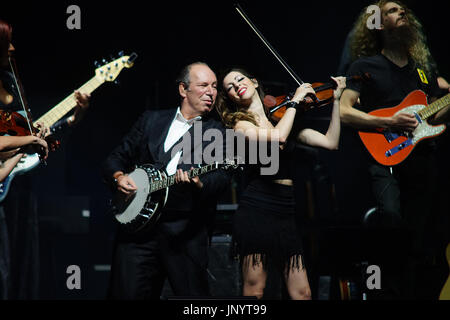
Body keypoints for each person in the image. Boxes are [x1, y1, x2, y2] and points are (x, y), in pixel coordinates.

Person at [339, 1, 450, 299]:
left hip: (422, 160)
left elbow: (432, 118)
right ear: (376, 24)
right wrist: (388, 119)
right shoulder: (364, 67)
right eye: (391, 10)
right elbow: (345, 112)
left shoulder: (424, 71)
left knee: (420, 239)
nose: (401, 12)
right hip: (385, 158)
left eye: (403, 10)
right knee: (390, 233)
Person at [103, 62, 231, 299]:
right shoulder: (151, 120)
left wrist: (200, 184)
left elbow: (222, 177)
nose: (211, 92)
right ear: (183, 90)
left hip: (185, 233)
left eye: (214, 86)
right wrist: (119, 177)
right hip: (138, 231)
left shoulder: (219, 132)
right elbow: (115, 157)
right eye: (203, 85)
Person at [215, 67, 346, 300]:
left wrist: (336, 101)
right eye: (230, 88)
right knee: (255, 289)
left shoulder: (283, 117)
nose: (237, 86)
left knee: (303, 293)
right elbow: (278, 138)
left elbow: (331, 142)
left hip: (286, 210)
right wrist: (295, 102)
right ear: (231, 97)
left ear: (254, 82)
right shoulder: (240, 125)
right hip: (257, 209)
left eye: (240, 79)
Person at [0, 19, 90, 299]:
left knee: (15, 271)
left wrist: (76, 117)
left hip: (17, 192)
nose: (13, 48)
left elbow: (15, 142)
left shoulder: (9, 83)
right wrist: (29, 139)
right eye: (7, 43)